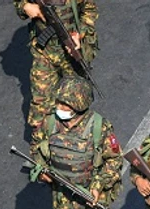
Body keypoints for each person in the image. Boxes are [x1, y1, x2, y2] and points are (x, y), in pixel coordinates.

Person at [30, 76, 122, 209]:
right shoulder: (49, 123)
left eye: (67, 105)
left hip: (91, 198)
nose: (61, 108)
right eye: (59, 103)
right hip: (62, 198)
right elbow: (35, 148)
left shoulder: (98, 127)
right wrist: (40, 171)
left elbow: (114, 161)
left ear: (80, 105)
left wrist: (97, 186)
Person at [15, 0, 99, 130]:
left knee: (74, 103)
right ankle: (41, 144)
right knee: (40, 108)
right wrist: (25, 6)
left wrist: (79, 34)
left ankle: (74, 142)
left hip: (70, 54)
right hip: (44, 52)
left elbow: (90, 11)